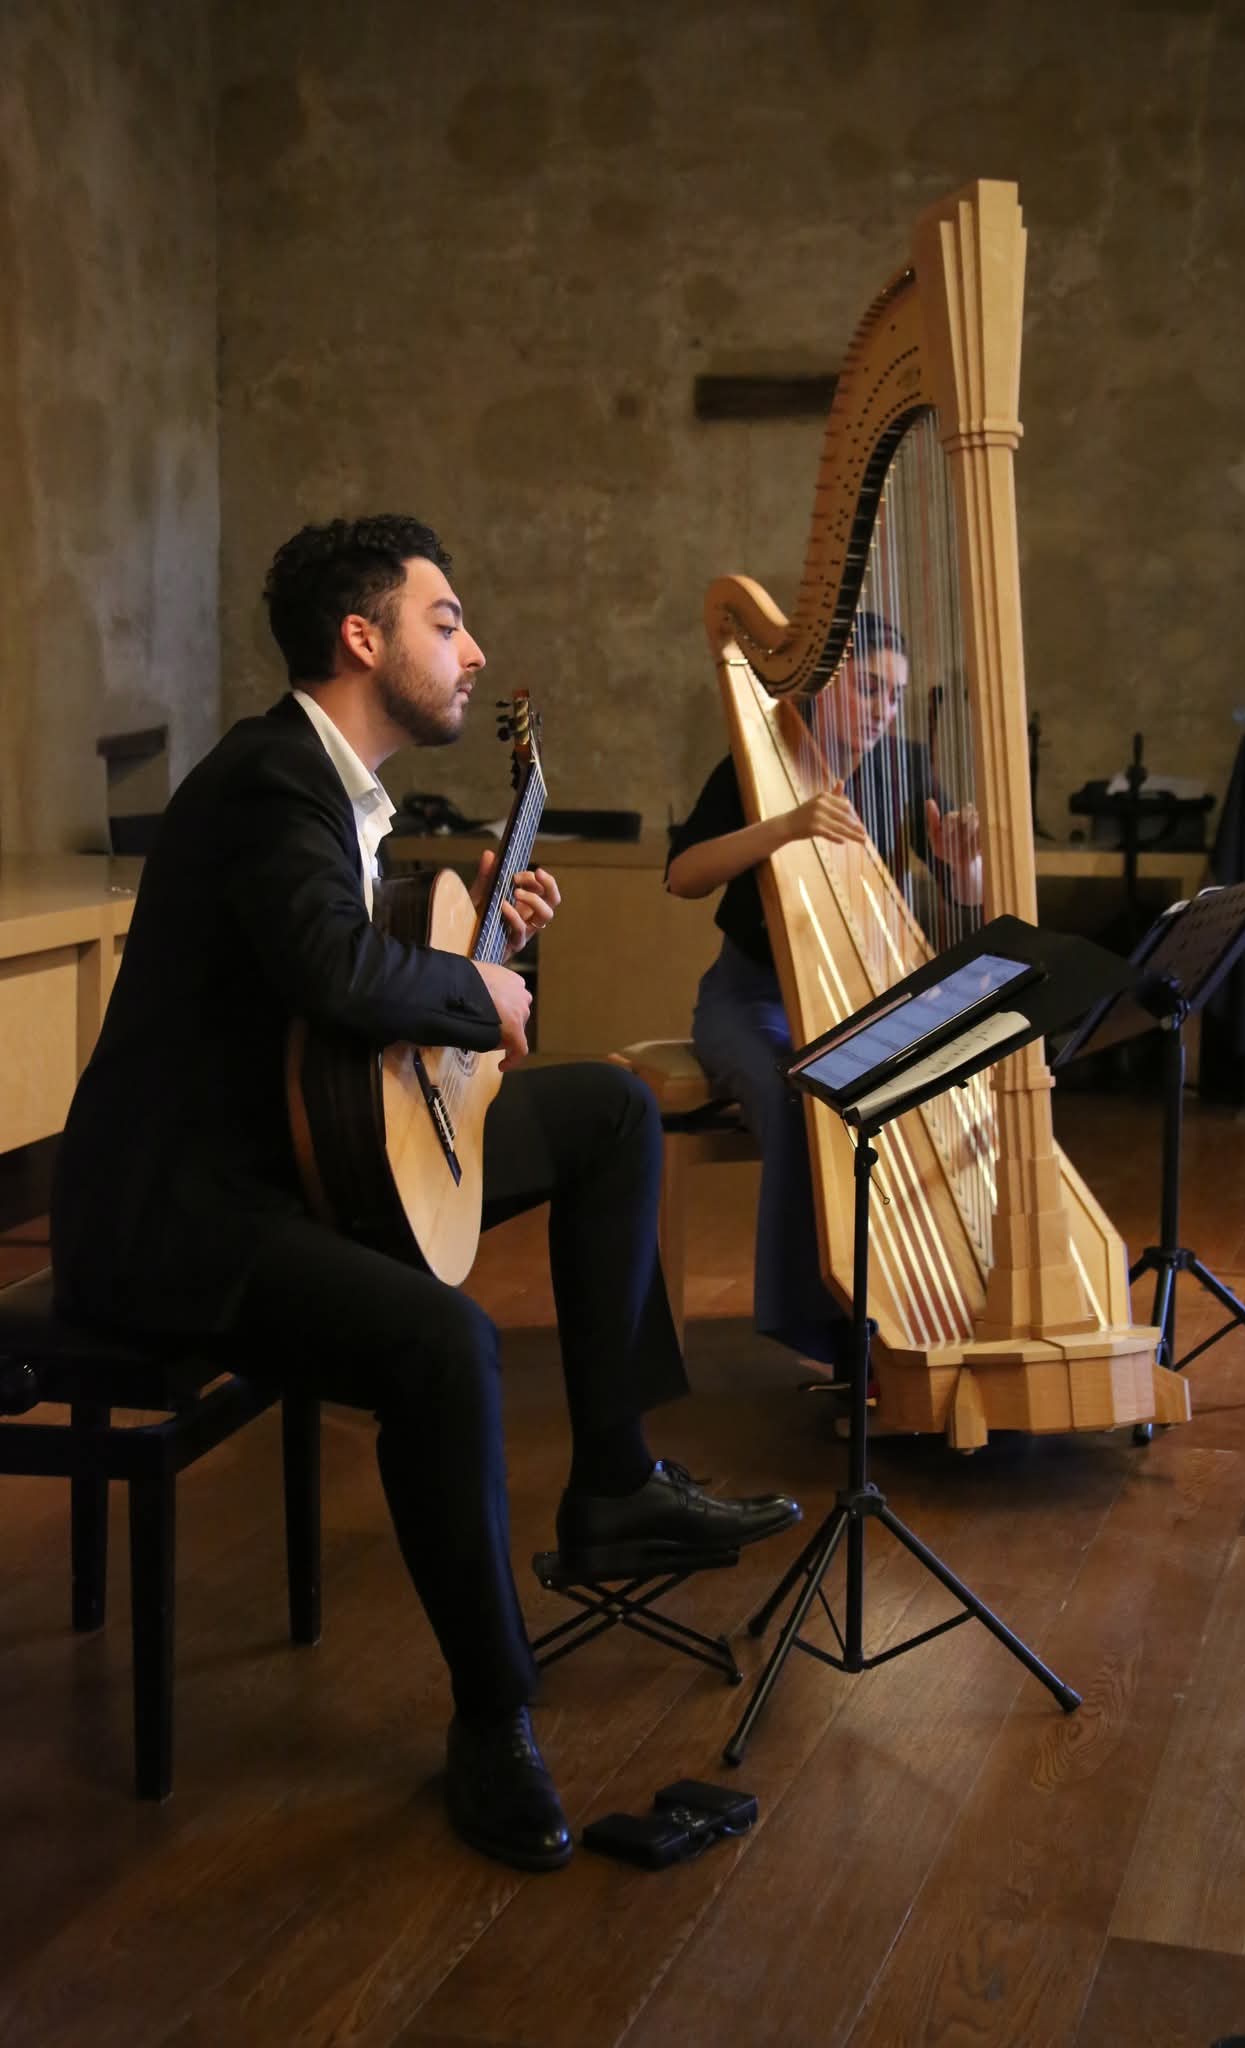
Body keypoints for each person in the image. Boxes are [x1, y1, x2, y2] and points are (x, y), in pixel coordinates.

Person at [51, 515, 799, 1873]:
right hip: (186, 1213)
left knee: (609, 1111)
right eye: (445, 620)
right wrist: (477, 990)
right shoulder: (274, 779)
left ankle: (616, 1483)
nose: (473, 648)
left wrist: (488, 956)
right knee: (442, 1347)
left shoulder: (341, 796)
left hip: (301, 1156)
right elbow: (339, 976)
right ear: (361, 638)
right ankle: (493, 1715)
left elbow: (322, 992)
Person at [665, 614, 982, 1371]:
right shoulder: (753, 761)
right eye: (869, 689)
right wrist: (783, 827)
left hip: (859, 1000)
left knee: (940, 1079)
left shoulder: (906, 768)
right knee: (793, 1095)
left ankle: (925, 1303)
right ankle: (827, 1334)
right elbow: (683, 876)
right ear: (822, 687)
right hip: (751, 998)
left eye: (895, 696)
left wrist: (957, 862)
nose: (883, 710)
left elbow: (966, 899)